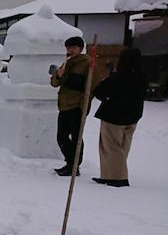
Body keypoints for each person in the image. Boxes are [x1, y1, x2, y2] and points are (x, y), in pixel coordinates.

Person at [91, 48, 147, 187]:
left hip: (114, 116)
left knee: (111, 147)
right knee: (123, 147)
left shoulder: (118, 77)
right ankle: (110, 175)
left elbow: (100, 91)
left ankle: (117, 177)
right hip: (133, 116)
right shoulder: (142, 77)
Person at [49, 36, 93, 176]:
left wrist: (84, 105)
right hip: (64, 105)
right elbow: (54, 83)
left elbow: (91, 86)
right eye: (68, 48)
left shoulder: (87, 63)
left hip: (77, 106)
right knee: (61, 137)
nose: (71, 50)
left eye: (74, 47)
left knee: (76, 138)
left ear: (80, 48)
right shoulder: (67, 62)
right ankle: (70, 162)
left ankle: (74, 166)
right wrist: (58, 75)